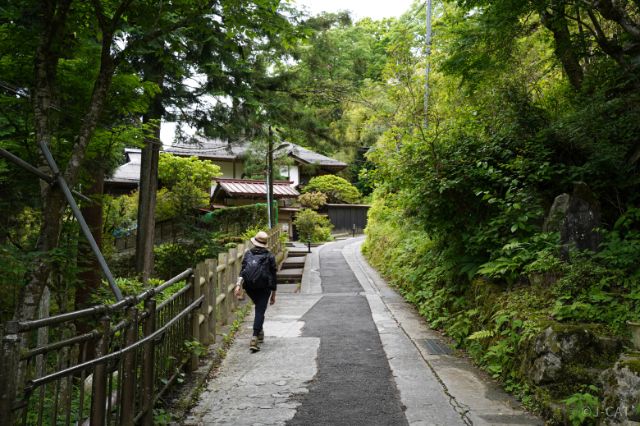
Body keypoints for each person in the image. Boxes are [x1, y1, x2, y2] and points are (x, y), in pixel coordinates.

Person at [235, 230, 277, 352]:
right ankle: (254, 337)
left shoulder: (248, 254)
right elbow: (273, 276)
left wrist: (238, 285)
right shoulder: (269, 256)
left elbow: (243, 271)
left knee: (259, 308)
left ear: (254, 242)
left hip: (249, 287)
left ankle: (260, 332)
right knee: (260, 310)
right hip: (264, 287)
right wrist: (274, 294)